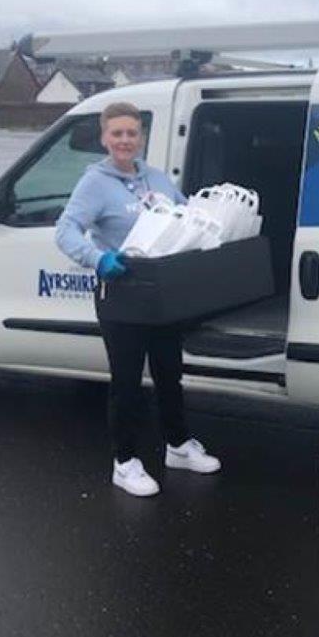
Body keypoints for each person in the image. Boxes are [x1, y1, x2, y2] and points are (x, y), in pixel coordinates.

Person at [55, 101, 221, 497]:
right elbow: (66, 230)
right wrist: (97, 258)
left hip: (161, 295)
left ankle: (177, 446)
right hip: (121, 294)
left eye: (132, 133)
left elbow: (187, 214)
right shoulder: (94, 183)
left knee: (169, 373)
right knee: (127, 382)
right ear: (104, 138)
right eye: (117, 133)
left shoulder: (157, 178)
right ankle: (125, 462)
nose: (125, 140)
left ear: (141, 137)